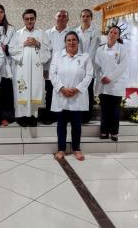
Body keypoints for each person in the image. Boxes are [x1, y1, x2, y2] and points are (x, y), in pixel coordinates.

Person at [50, 31, 93, 161]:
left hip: (77, 96)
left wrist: (77, 88)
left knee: (77, 125)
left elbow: (89, 75)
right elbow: (53, 74)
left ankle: (76, 149)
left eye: (74, 40)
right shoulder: (58, 56)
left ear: (78, 42)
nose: (71, 42)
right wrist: (62, 88)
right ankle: (61, 149)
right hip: (61, 95)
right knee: (61, 125)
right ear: (65, 42)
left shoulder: (85, 57)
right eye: (68, 40)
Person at [10, 9, 50, 127]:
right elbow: (11, 50)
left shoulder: (42, 33)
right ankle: (22, 117)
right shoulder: (18, 34)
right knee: (22, 90)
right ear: (23, 20)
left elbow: (48, 51)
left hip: (36, 70)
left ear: (35, 19)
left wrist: (38, 44)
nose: (29, 21)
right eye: (27, 19)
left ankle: (33, 116)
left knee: (34, 90)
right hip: (22, 69)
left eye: (32, 18)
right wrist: (23, 44)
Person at [94, 25, 128, 142]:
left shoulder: (122, 49)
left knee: (115, 111)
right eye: (111, 32)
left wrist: (111, 77)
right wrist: (102, 77)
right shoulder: (100, 49)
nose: (112, 34)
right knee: (105, 110)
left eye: (115, 33)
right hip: (103, 84)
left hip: (116, 84)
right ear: (108, 34)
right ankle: (104, 131)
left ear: (118, 36)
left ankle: (114, 132)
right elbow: (97, 66)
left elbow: (122, 66)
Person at [43, 10, 71, 125]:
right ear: (55, 18)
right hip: (51, 68)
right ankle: (50, 116)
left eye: (64, 16)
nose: (61, 18)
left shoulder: (71, 33)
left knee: (64, 92)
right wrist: (45, 68)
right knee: (50, 92)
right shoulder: (48, 33)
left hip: (66, 69)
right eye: (59, 16)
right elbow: (44, 51)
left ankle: (64, 116)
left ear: (67, 19)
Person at [0, 4, 16, 126]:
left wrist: (6, 47)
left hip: (7, 64)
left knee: (6, 92)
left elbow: (16, 45)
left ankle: (7, 116)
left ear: (4, 14)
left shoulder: (11, 29)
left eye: (1, 12)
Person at [74, 9, 100, 123]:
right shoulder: (75, 31)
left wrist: (85, 63)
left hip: (89, 65)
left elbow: (93, 50)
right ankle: (77, 114)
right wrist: (79, 62)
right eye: (83, 16)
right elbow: (75, 47)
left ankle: (87, 116)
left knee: (88, 91)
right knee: (78, 90)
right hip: (77, 65)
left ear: (91, 18)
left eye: (88, 16)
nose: (85, 18)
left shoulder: (95, 32)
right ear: (80, 17)